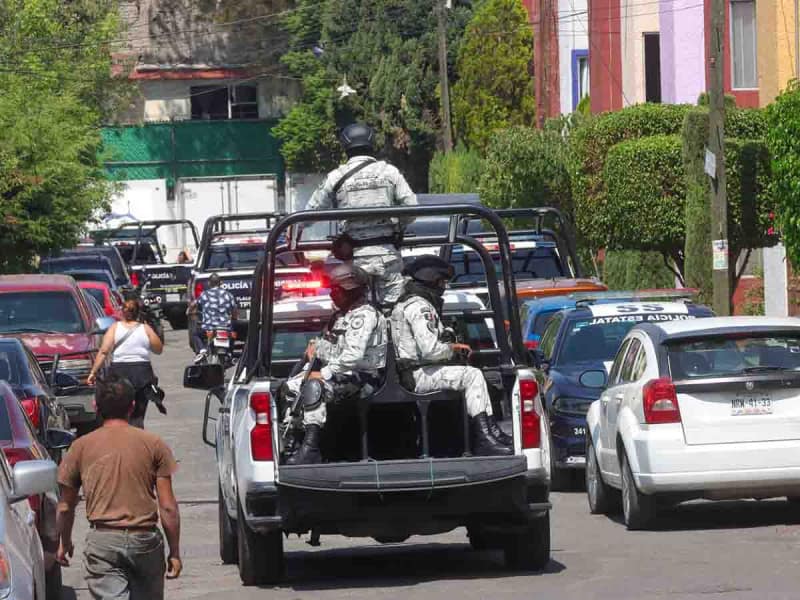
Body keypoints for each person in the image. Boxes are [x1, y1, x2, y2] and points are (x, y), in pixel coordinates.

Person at [56, 374, 181, 600]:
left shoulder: (80, 447)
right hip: (145, 541)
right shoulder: (154, 444)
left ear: (95, 406)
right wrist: (174, 552)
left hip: (103, 542)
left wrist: (64, 543)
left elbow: (65, 506)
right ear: (132, 406)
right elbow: (168, 506)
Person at [390, 255, 513, 456]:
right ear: (433, 281)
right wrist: (453, 348)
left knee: (472, 374)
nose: (444, 287)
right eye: (442, 282)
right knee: (472, 375)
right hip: (418, 374)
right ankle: (484, 438)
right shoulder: (419, 306)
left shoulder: (407, 303)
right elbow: (430, 350)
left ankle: (491, 432)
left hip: (414, 371)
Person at [283, 263, 387, 465]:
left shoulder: (365, 315)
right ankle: (293, 440)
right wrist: (318, 348)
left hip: (364, 377)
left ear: (352, 291)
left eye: (337, 291)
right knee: (290, 386)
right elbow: (336, 350)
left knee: (314, 387)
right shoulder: (341, 316)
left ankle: (311, 449)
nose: (332, 295)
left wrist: (325, 374)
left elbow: (353, 356)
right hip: (343, 374)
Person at [306, 122, 418, 306]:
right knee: (396, 310)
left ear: (345, 147)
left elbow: (313, 209)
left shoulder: (336, 176)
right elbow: (411, 207)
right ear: (371, 145)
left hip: (354, 261)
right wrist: (397, 226)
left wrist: (295, 229)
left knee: (354, 312)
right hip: (387, 256)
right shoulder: (389, 172)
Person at [87, 299, 164, 428]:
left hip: (120, 373)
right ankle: (137, 437)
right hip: (142, 374)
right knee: (138, 415)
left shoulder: (115, 328)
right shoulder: (145, 329)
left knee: (119, 408)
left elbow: (104, 351)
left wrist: (93, 373)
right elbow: (158, 349)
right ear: (138, 313)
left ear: (122, 312)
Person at [187, 273, 238, 362]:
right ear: (221, 283)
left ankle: (202, 351)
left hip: (208, 329)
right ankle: (230, 352)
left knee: (195, 334)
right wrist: (234, 319)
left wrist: (189, 311)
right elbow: (234, 311)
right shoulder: (228, 295)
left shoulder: (204, 295)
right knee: (233, 334)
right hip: (225, 328)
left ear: (209, 283)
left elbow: (193, 305)